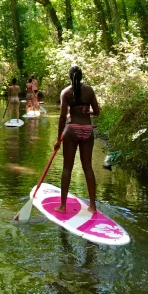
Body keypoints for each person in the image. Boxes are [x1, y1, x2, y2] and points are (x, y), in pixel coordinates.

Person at [54, 65, 101, 214]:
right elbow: (97, 112)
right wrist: (88, 111)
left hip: (71, 130)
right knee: (88, 167)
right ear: (81, 76)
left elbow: (62, 117)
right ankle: (93, 206)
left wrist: (58, 139)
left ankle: (62, 206)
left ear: (69, 77)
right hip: (87, 130)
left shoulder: (66, 93)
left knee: (67, 167)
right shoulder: (89, 90)